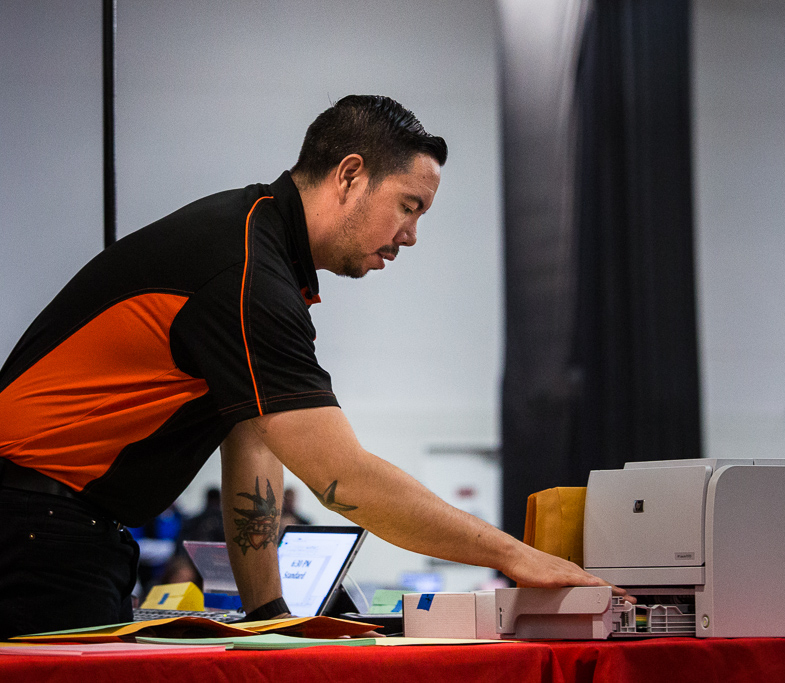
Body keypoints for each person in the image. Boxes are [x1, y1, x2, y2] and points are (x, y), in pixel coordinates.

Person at [0, 95, 619, 640]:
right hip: (34, 528)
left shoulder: (257, 249)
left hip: (57, 529)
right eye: (409, 205)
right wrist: (513, 556)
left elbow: (254, 439)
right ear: (351, 175)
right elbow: (341, 479)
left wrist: (268, 611)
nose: (410, 236)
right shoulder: (244, 270)